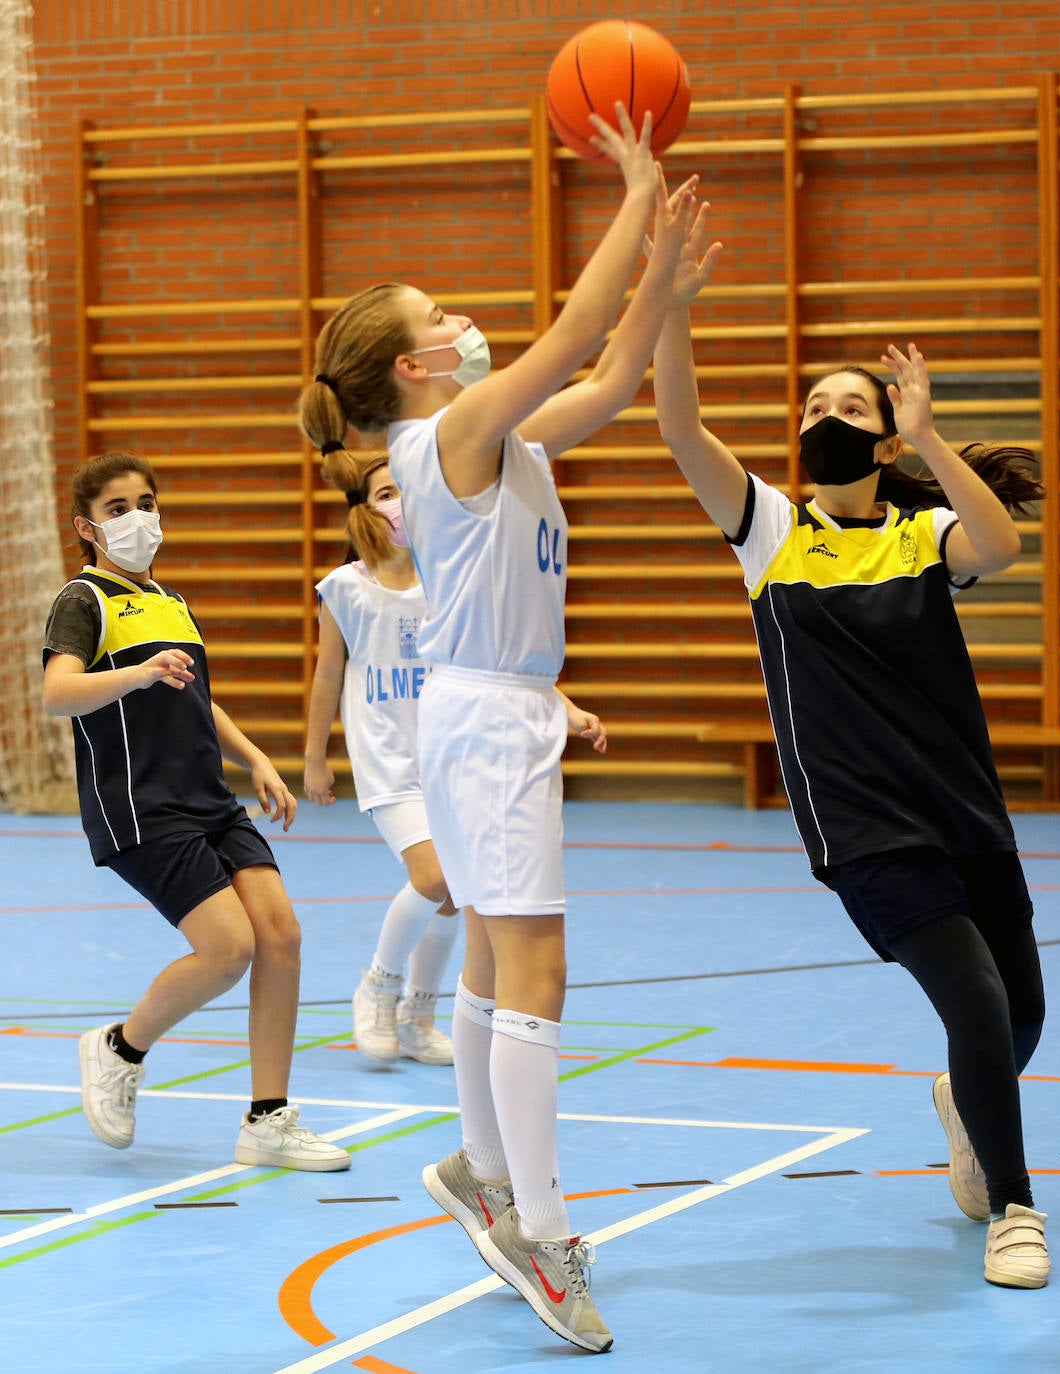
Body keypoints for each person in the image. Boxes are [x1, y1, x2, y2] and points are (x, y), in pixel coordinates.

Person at [296, 104, 704, 1353]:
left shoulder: (498, 435)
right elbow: (575, 328)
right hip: (482, 719)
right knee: (538, 973)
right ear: (412, 370)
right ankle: (538, 1229)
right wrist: (632, 193)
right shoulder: (451, 431)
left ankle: (481, 1172)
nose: (461, 324)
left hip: (495, 711)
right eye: (441, 319)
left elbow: (611, 373)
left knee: (490, 961)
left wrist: (668, 288)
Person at [653, 256, 1050, 1290]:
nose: (825, 415)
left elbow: (1001, 548)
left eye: (849, 404)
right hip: (864, 828)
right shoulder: (772, 534)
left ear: (879, 435)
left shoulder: (921, 534)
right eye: (812, 404)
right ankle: (1013, 1209)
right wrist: (671, 311)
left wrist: (926, 438)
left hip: (963, 808)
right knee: (969, 1003)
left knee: (1021, 1020)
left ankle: (962, 1104)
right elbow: (680, 429)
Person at [43, 451, 349, 1173]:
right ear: (88, 528)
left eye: (146, 502)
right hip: (140, 806)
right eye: (119, 509)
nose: (138, 518)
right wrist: (139, 673)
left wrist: (255, 758)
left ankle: (267, 1119)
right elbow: (59, 692)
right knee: (228, 948)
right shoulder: (83, 600)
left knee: (280, 935)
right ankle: (119, 1047)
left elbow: (193, 696)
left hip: (208, 797)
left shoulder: (170, 600)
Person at [304, 451, 605, 1066]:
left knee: (454, 893)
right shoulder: (344, 589)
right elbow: (326, 674)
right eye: (387, 492)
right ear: (363, 510)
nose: (401, 504)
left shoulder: (450, 580)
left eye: (408, 492)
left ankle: (418, 1015)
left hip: (451, 755)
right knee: (434, 878)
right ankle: (379, 984)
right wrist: (315, 756)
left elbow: (503, 658)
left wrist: (566, 708)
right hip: (387, 764)